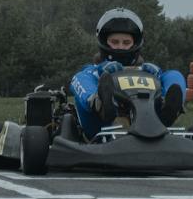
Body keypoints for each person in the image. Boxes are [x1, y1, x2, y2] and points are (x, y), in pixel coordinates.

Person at [65, 7, 186, 139]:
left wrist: (156, 74)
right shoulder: (93, 71)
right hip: (100, 129)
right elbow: (81, 79)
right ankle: (100, 104)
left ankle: (167, 109)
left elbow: (166, 77)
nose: (121, 47)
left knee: (174, 74)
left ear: (135, 44)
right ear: (104, 42)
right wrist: (102, 70)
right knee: (81, 76)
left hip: (150, 123)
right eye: (115, 42)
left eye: (126, 42)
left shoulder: (147, 71)